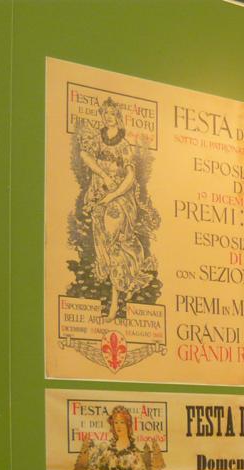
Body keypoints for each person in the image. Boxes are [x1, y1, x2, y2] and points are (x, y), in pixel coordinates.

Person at [80, 100, 153, 318]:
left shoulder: (124, 145)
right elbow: (85, 155)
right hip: (99, 195)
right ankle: (115, 294)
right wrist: (103, 176)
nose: (108, 117)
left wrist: (112, 195)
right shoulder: (97, 139)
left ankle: (114, 304)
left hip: (119, 198)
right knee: (103, 245)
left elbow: (130, 177)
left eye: (112, 113)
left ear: (117, 117)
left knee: (114, 246)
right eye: (105, 113)